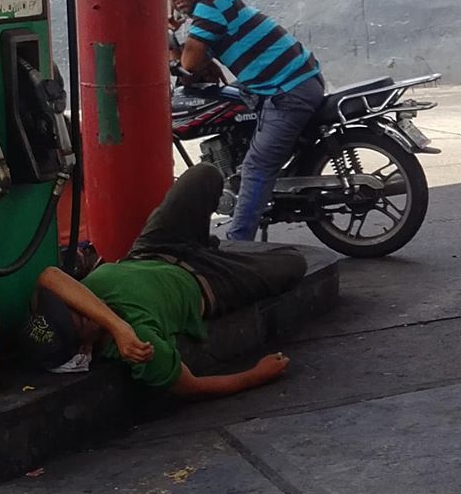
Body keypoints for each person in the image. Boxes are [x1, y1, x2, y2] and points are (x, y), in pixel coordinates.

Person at [22, 162, 296, 398]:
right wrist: (256, 376)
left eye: (74, 305)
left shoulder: (95, 309)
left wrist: (116, 325)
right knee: (293, 263)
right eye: (82, 319)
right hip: (209, 280)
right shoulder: (139, 347)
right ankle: (210, 250)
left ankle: (205, 242)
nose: (84, 307)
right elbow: (193, 387)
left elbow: (50, 276)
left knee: (205, 175)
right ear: (85, 346)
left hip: (153, 248)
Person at [172, 0, 327, 242]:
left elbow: (190, 64)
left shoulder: (209, 5)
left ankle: (238, 245)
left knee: (256, 168)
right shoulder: (215, 5)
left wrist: (167, 38)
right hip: (291, 82)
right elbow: (195, 70)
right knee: (236, 105)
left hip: (289, 89)